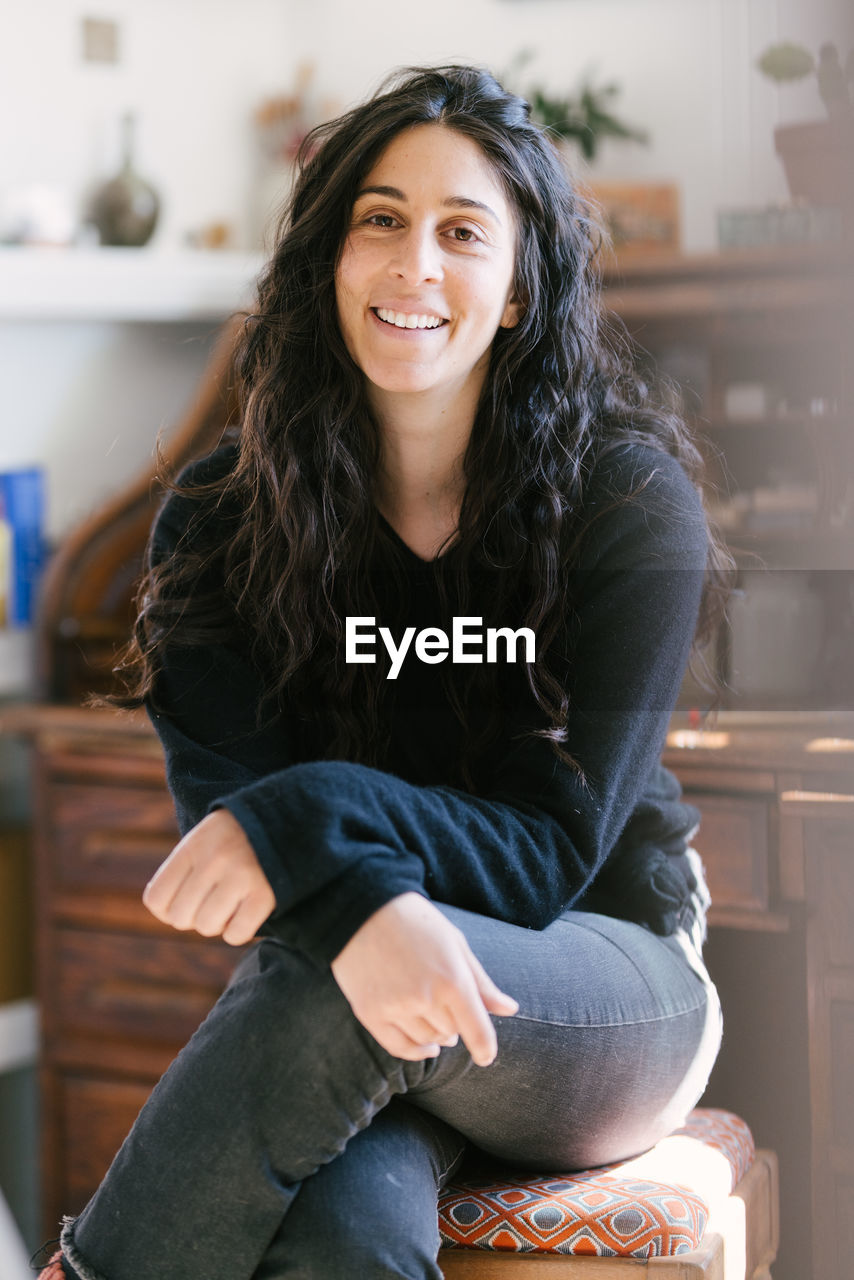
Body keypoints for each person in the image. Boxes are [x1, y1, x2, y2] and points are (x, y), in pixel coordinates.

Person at [40, 64, 730, 1280]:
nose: (415, 263)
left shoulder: (624, 501)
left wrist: (309, 816)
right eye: (380, 219)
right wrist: (354, 894)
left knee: (324, 991)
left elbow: (551, 848)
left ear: (518, 288)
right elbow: (228, 818)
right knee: (340, 1238)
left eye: (463, 232)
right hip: (363, 969)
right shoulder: (214, 519)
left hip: (603, 968)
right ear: (331, 261)